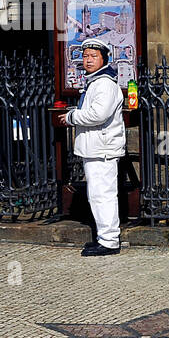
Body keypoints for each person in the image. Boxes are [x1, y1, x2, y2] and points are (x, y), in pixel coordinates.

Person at [52, 37, 125, 257]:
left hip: (102, 148)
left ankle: (110, 241)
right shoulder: (96, 82)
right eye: (85, 56)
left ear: (104, 59)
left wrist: (72, 116)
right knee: (98, 194)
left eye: (93, 56)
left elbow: (97, 114)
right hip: (97, 147)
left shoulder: (104, 84)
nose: (88, 60)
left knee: (103, 195)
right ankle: (105, 238)